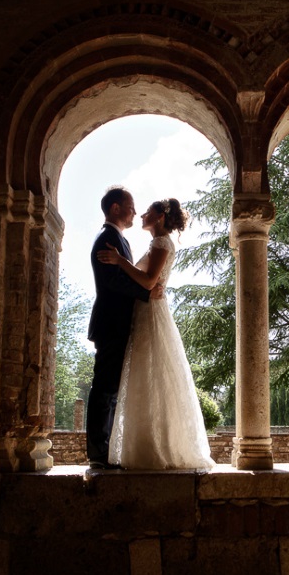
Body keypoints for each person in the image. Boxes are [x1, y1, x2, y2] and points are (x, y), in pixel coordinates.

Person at [97, 198, 216, 470]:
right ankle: (145, 444)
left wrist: (119, 261)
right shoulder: (156, 243)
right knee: (145, 376)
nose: (141, 215)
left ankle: (156, 447)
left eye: (148, 212)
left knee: (153, 373)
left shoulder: (162, 243)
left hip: (151, 313)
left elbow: (150, 281)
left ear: (161, 216)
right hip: (145, 309)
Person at [85, 186, 158, 470]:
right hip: (111, 322)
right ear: (115, 208)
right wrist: (147, 294)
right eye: (130, 206)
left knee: (111, 387)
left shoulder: (117, 240)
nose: (135, 212)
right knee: (104, 387)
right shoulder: (107, 238)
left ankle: (105, 450)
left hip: (118, 322)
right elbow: (113, 282)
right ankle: (97, 453)